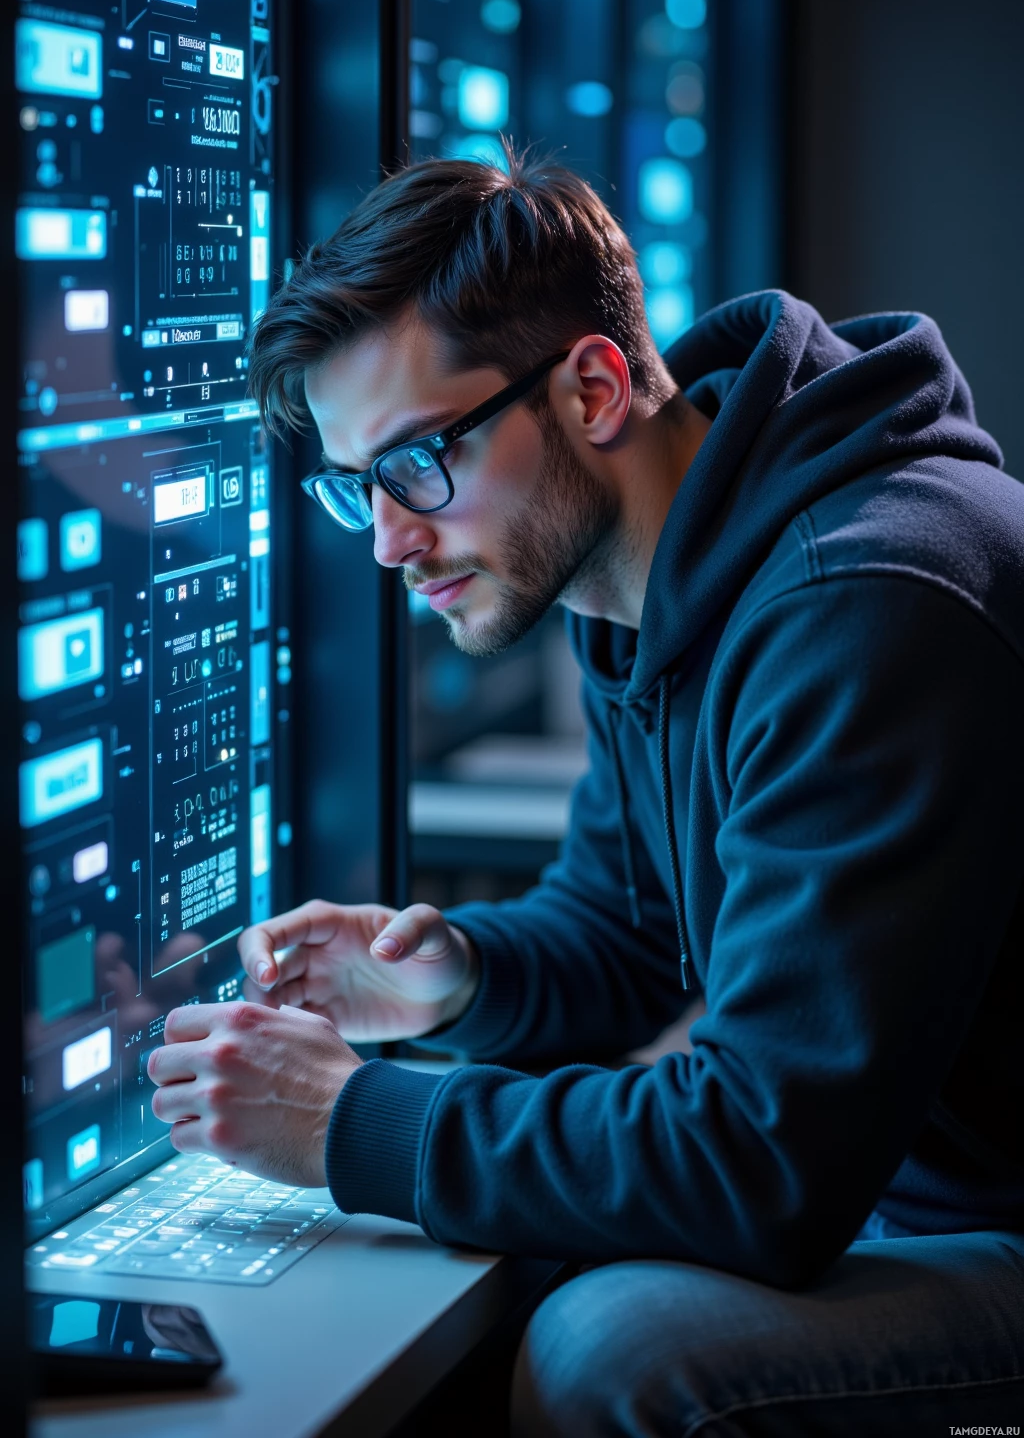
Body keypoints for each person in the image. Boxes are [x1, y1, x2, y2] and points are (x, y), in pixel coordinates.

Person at [146, 153, 1024, 1435]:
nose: (389, 539)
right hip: (914, 1188)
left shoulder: (871, 600)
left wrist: (349, 1119)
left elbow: (763, 1157)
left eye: (416, 464)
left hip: (986, 1218)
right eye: (355, 490)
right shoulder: (644, 576)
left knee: (618, 1352)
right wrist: (456, 976)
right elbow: (623, 931)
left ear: (594, 388)